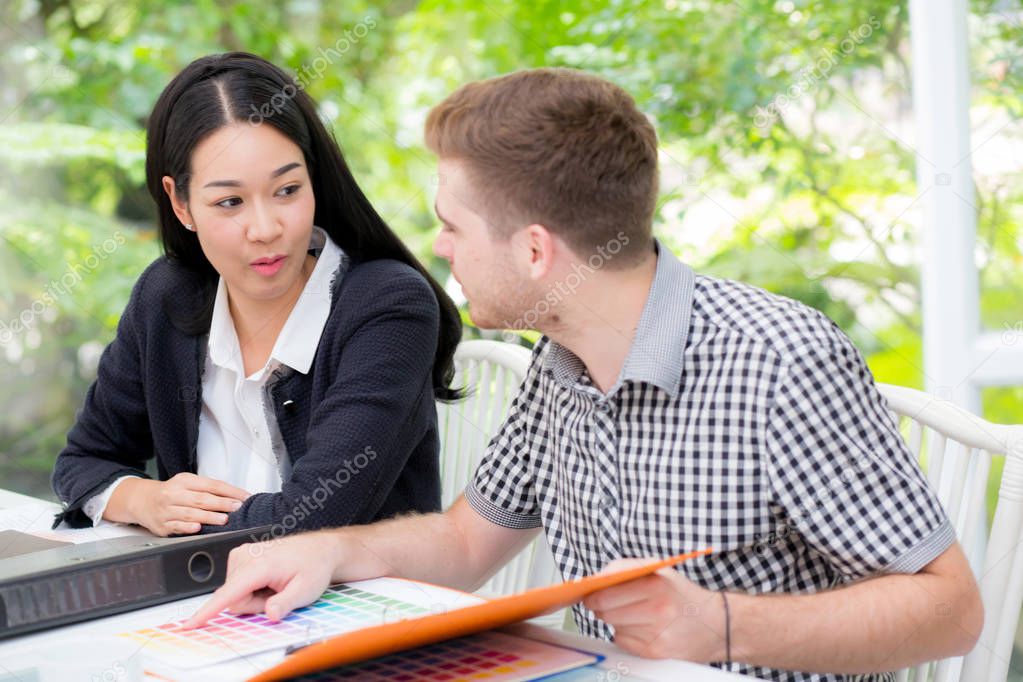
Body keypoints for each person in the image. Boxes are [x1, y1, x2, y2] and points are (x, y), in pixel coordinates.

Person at [187, 68, 982, 681]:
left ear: (535, 252)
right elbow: (465, 542)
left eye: (451, 225)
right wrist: (327, 553)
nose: (440, 249)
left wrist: (719, 627)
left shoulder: (779, 362)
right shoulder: (560, 361)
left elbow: (950, 611)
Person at [51, 52, 462, 537]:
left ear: (313, 177)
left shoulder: (389, 307)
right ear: (181, 204)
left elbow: (311, 518)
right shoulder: (167, 296)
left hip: (357, 605)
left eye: (287, 190)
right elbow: (83, 460)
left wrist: (184, 523)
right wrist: (145, 498)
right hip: (208, 600)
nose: (266, 229)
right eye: (230, 202)